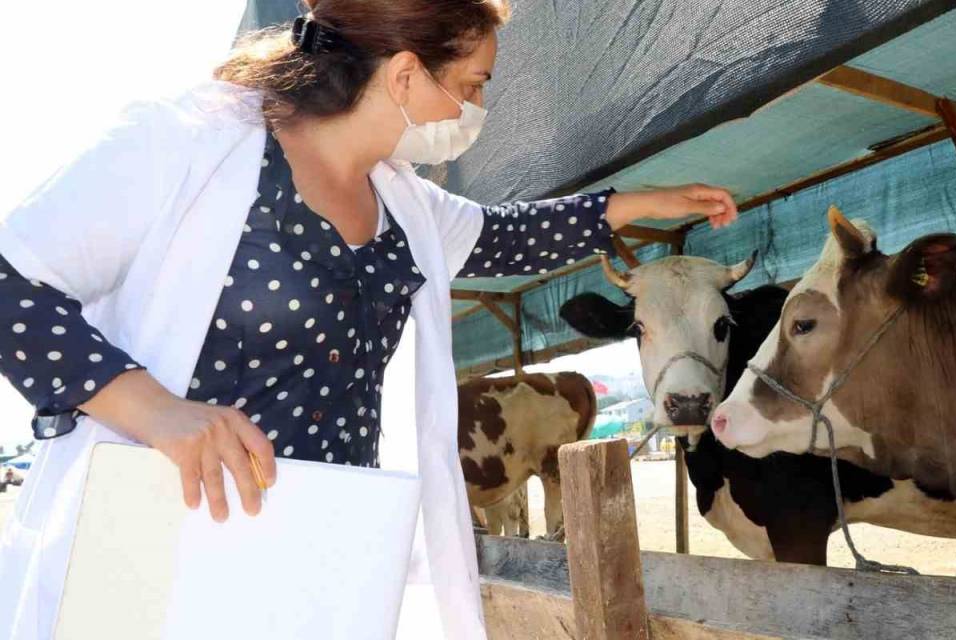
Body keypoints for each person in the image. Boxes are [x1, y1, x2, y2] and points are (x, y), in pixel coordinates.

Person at [0, 1, 738, 637]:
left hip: (321, 542)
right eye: (474, 85)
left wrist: (644, 202)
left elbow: (503, 234)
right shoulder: (188, 139)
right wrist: (157, 411)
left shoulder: (402, 202)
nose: (473, 112)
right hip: (162, 532)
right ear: (407, 74)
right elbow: (11, 281)